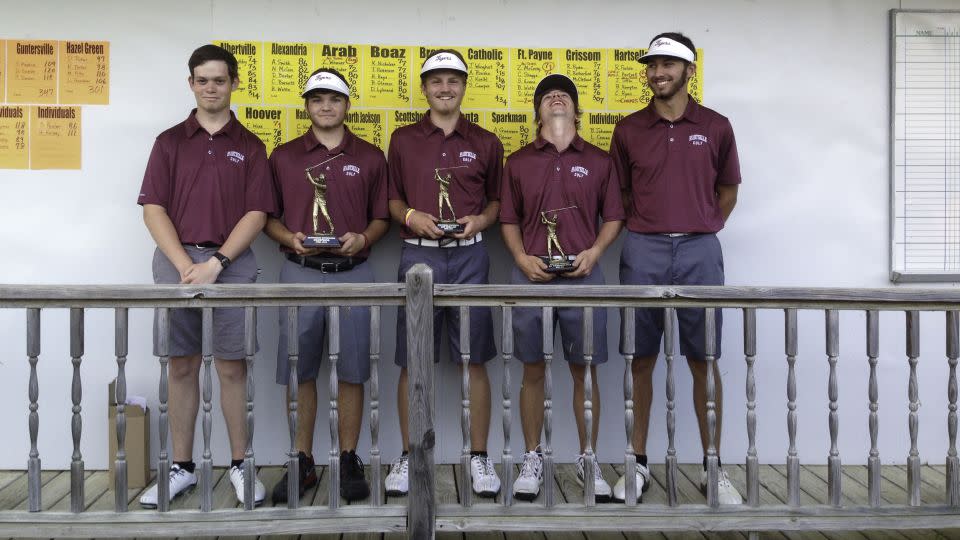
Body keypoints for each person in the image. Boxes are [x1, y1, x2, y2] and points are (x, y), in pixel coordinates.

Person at [137, 44, 275, 507]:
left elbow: (257, 213)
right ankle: (182, 468)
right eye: (202, 79)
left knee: (233, 368)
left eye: (219, 79)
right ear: (191, 83)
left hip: (230, 266)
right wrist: (184, 266)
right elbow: (153, 209)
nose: (211, 87)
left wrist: (217, 263)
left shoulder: (251, 146)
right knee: (181, 366)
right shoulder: (170, 142)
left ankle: (240, 466)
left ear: (234, 82)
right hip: (177, 265)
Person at [610, 32, 742, 504]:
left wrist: (702, 225)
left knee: (703, 359)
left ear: (690, 71)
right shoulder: (628, 130)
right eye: (652, 65)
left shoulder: (717, 126)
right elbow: (621, 194)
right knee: (638, 358)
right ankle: (636, 464)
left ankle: (713, 467)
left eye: (668, 65)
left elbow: (727, 189)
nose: (658, 73)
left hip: (700, 251)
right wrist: (652, 225)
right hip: (642, 249)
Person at [264, 68, 389, 503]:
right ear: (307, 106)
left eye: (334, 99)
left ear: (347, 105)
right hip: (298, 270)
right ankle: (302, 459)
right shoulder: (283, 156)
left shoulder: (372, 156)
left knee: (354, 368)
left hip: (354, 272)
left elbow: (381, 217)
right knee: (300, 370)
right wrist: (289, 238)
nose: (326, 106)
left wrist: (366, 238)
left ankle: (349, 457)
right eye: (317, 99)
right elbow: (268, 218)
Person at [500, 74, 624, 502]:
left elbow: (613, 217)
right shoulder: (516, 162)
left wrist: (595, 251)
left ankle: (588, 458)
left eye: (565, 94)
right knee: (532, 370)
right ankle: (532, 458)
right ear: (537, 112)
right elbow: (509, 220)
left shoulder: (601, 161)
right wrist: (519, 258)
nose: (556, 97)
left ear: (576, 110)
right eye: (547, 95)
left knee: (584, 373)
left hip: (585, 278)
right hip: (531, 277)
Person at [385, 49, 502, 498]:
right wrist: (412, 214)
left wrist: (482, 222)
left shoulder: (487, 141)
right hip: (418, 255)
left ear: (464, 86)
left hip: (471, 256)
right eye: (436, 81)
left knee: (474, 358)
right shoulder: (402, 139)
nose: (445, 88)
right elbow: (393, 199)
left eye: (453, 80)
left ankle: (478, 457)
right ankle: (411, 453)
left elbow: (495, 202)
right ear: (425, 88)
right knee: (413, 358)